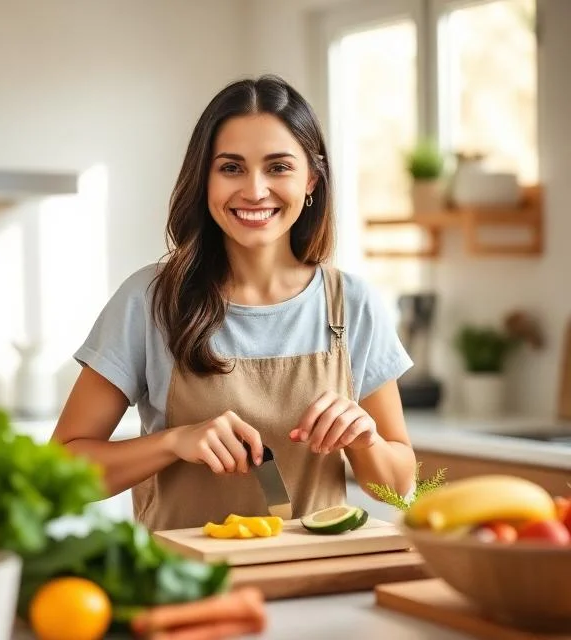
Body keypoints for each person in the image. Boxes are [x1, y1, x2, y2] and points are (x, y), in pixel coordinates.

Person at [52, 74, 416, 531]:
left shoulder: (352, 305)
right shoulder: (148, 301)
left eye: (278, 167)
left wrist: (366, 441)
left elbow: (399, 490)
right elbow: (58, 474)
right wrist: (173, 443)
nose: (255, 190)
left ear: (311, 180)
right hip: (186, 588)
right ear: (203, 180)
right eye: (231, 168)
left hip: (316, 580)